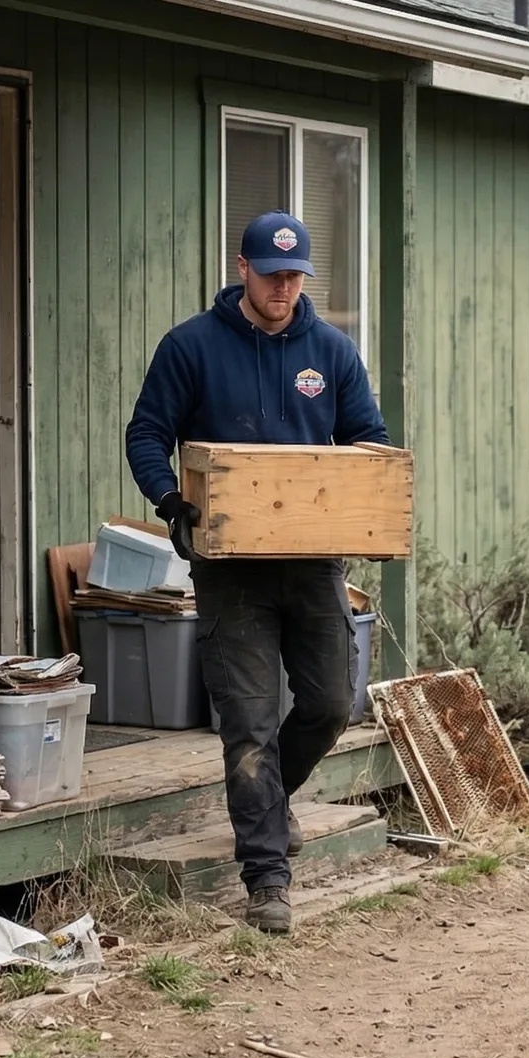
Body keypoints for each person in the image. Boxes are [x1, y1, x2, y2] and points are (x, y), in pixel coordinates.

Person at [125, 211, 389, 935]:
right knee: (245, 725)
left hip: (310, 565)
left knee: (331, 703)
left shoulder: (331, 352)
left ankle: (268, 804)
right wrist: (174, 502)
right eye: (271, 276)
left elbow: (370, 439)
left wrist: (358, 504)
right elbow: (146, 432)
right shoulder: (192, 347)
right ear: (241, 268)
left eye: (295, 276)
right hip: (231, 569)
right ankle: (267, 878)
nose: (284, 288)